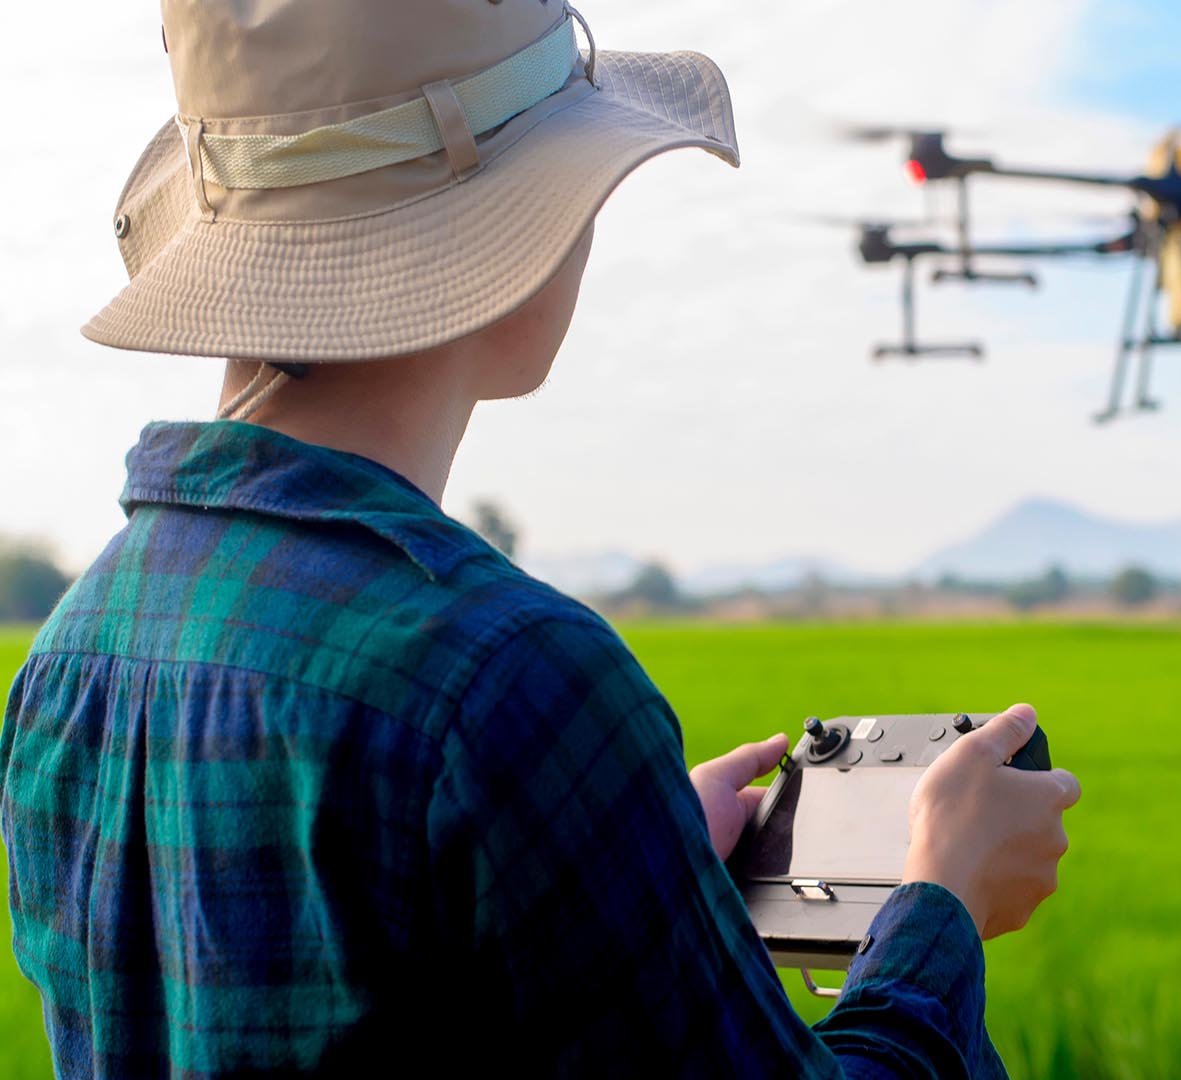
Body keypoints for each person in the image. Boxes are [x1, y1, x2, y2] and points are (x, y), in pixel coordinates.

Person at [0, 2, 1080, 1076]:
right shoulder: (504, 682)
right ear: (512, 236)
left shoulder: (70, 656)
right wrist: (940, 906)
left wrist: (631, 877)